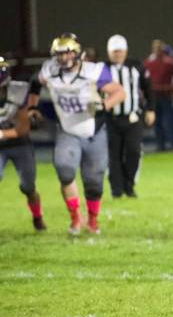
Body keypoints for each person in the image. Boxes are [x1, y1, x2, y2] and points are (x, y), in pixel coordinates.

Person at [37, 33, 125, 235]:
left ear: (77, 53)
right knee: (65, 170)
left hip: (93, 130)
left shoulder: (93, 71)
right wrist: (33, 106)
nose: (63, 58)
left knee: (94, 181)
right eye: (59, 54)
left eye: (67, 53)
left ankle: (92, 220)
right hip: (68, 130)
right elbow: (35, 83)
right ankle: (76, 218)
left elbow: (119, 92)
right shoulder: (48, 70)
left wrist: (103, 104)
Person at [104, 35, 155, 198]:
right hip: (110, 118)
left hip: (133, 117)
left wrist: (150, 109)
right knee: (114, 155)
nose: (117, 54)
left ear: (125, 51)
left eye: (120, 51)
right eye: (114, 51)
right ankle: (116, 189)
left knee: (133, 152)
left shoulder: (136, 66)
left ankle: (129, 185)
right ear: (109, 52)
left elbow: (148, 88)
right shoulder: (102, 69)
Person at [0, 56, 46, 230]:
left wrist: (2, 133)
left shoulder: (18, 91)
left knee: (27, 186)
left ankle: (37, 216)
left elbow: (22, 129)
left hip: (19, 143)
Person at [143, 39, 173, 151]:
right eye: (155, 48)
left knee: (168, 121)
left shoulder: (170, 63)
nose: (157, 50)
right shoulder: (148, 63)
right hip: (153, 95)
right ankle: (161, 146)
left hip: (166, 95)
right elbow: (143, 79)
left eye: (159, 48)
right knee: (157, 122)